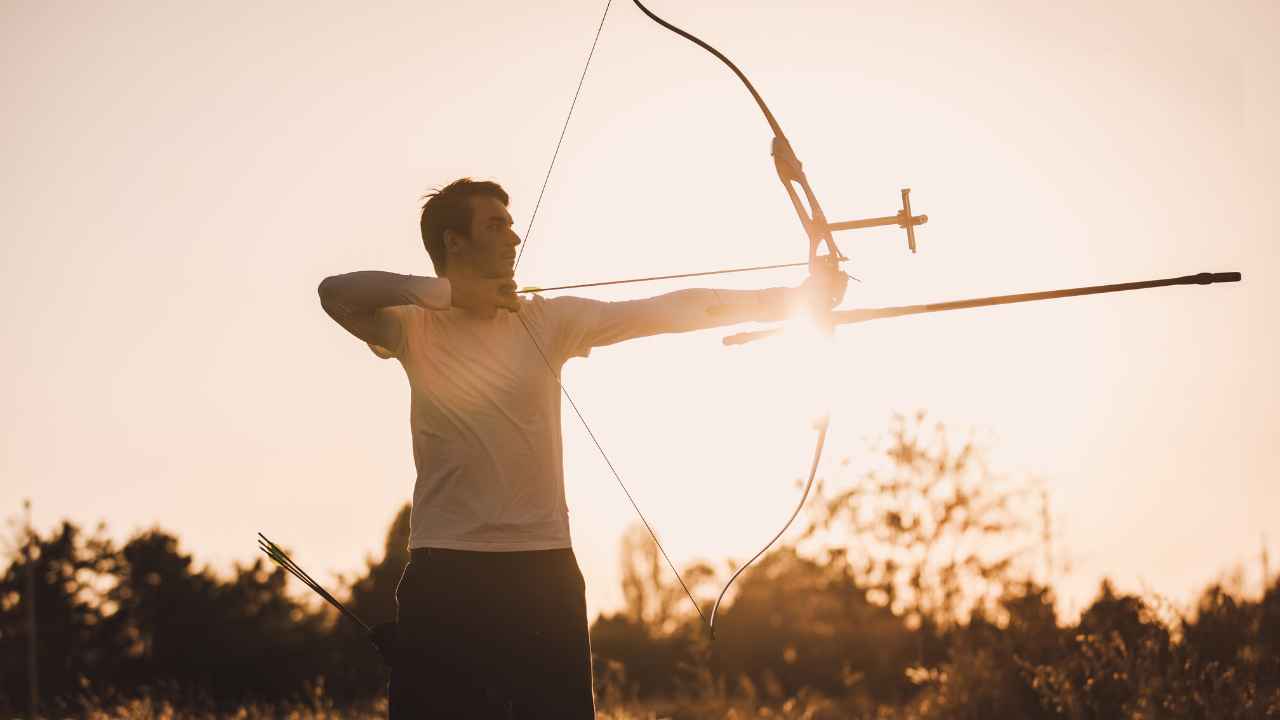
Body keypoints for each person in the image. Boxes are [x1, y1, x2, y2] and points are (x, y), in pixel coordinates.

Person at [317, 178, 846, 718]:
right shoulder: (413, 326)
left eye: (512, 225)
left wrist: (795, 299)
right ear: (454, 242)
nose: (514, 238)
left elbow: (666, 310)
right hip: (446, 568)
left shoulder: (547, 320)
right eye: (495, 225)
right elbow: (334, 292)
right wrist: (451, 294)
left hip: (543, 570)